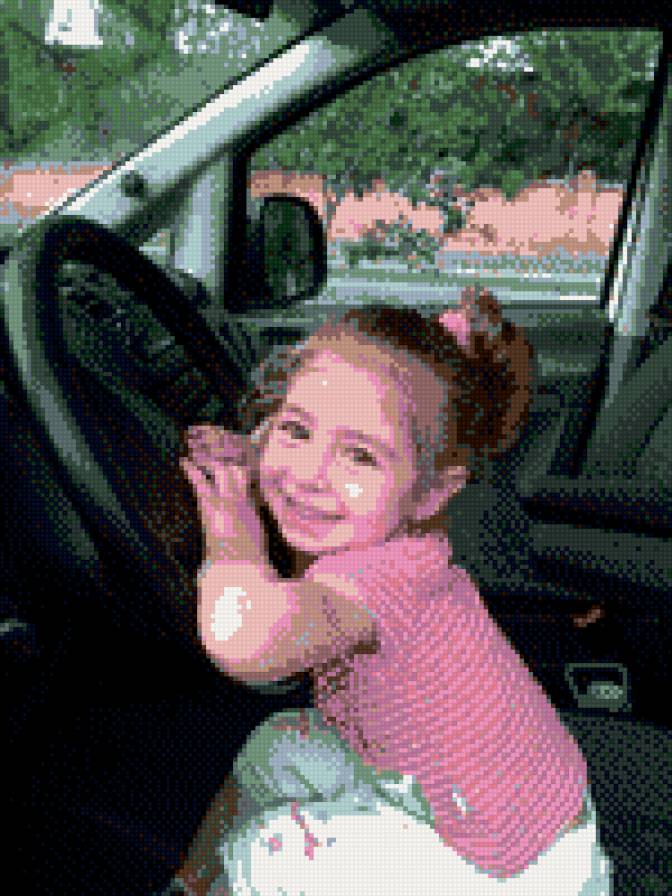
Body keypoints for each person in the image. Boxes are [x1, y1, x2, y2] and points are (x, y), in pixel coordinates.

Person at [171, 287, 612, 896]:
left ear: (431, 493)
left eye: (359, 456)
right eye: (296, 430)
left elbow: (242, 640)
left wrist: (232, 529)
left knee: (273, 848)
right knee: (275, 746)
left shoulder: (377, 582)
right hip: (502, 805)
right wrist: (254, 461)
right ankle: (192, 884)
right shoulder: (390, 541)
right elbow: (302, 484)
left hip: (509, 867)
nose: (306, 474)